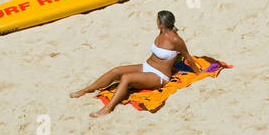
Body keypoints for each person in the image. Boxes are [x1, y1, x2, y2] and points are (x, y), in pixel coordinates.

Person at [71, 11, 202, 117]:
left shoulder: (175, 39)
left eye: (157, 20)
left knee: (126, 78)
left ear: (161, 23)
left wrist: (198, 73)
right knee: (116, 70)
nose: (156, 22)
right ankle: (86, 90)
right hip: (147, 66)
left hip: (159, 76)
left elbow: (188, 57)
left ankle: (108, 108)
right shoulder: (161, 32)